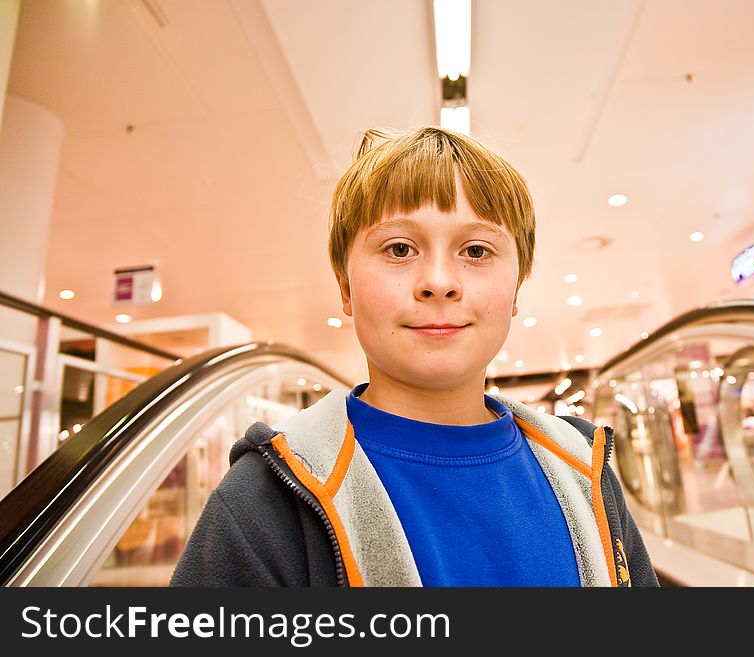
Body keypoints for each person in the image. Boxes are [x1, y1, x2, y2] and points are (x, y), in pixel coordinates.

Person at [170, 126, 657, 587]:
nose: (439, 281)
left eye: (477, 250)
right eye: (400, 248)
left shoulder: (584, 470)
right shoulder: (266, 498)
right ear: (346, 288)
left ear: (515, 291)